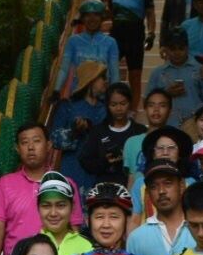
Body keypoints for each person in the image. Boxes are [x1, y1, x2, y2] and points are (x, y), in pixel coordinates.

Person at [0, 123, 86, 255]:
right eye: (24, 142)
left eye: (37, 141)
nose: (31, 147)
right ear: (17, 149)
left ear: (48, 145)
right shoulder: (5, 184)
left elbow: (74, 228)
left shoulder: (66, 184)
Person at [50, 63, 110, 196]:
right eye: (102, 77)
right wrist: (74, 131)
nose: (106, 81)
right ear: (91, 80)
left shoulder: (106, 109)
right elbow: (54, 139)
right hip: (73, 169)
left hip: (99, 171)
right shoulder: (68, 106)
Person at [127, 158, 190, 255]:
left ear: (181, 186)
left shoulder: (200, 229)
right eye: (154, 186)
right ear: (147, 193)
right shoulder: (136, 238)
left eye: (168, 183)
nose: (161, 191)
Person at [77, 83, 140, 190]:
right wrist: (105, 161)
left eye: (123, 103)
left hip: (133, 189)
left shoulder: (139, 131)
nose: (119, 108)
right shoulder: (98, 131)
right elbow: (85, 161)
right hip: (103, 190)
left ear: (130, 103)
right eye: (113, 105)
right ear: (107, 105)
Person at [127, 127, 193, 227]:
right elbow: (134, 219)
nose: (165, 152)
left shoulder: (191, 183)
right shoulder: (140, 183)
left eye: (171, 148)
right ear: (153, 154)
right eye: (160, 148)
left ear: (179, 154)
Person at [27, 173, 95, 255]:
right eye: (46, 206)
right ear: (38, 208)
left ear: (73, 207)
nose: (53, 213)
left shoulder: (88, 247)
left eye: (60, 205)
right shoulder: (27, 246)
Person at [108, 0, 155, 90]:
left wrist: (151, 34)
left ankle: (134, 104)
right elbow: (110, 13)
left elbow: (150, 14)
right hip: (116, 35)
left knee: (135, 76)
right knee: (109, 71)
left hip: (135, 36)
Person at [54, 2, 121, 92]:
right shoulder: (73, 41)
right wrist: (56, 90)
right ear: (82, 18)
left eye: (96, 15)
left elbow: (114, 73)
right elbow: (64, 69)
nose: (92, 19)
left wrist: (115, 94)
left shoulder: (111, 43)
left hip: (102, 95)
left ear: (102, 18)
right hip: (77, 94)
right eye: (87, 15)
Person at [146, 28, 203, 128]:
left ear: (187, 48)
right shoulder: (157, 73)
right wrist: (166, 94)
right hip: (166, 126)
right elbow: (147, 102)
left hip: (194, 126)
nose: (177, 52)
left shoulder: (200, 70)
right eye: (172, 49)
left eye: (181, 48)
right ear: (166, 49)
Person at [124, 89, 173, 174]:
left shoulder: (176, 142)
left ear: (170, 111)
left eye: (162, 105)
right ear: (145, 109)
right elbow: (131, 177)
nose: (156, 109)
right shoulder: (131, 143)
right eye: (151, 105)